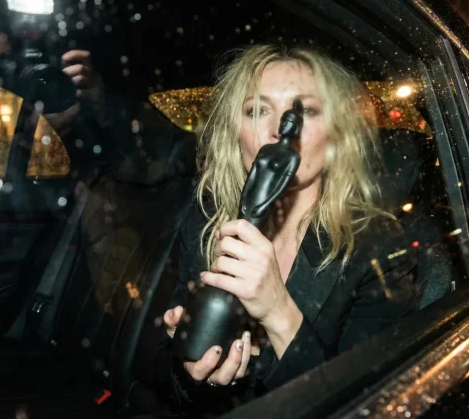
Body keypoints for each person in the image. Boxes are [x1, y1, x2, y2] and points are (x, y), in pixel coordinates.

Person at [150, 44, 418, 416]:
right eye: (257, 110)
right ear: (236, 132)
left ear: (336, 134)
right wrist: (192, 368)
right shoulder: (208, 220)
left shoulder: (380, 250)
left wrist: (277, 310)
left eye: (304, 111)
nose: (280, 129)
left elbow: (362, 402)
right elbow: (166, 375)